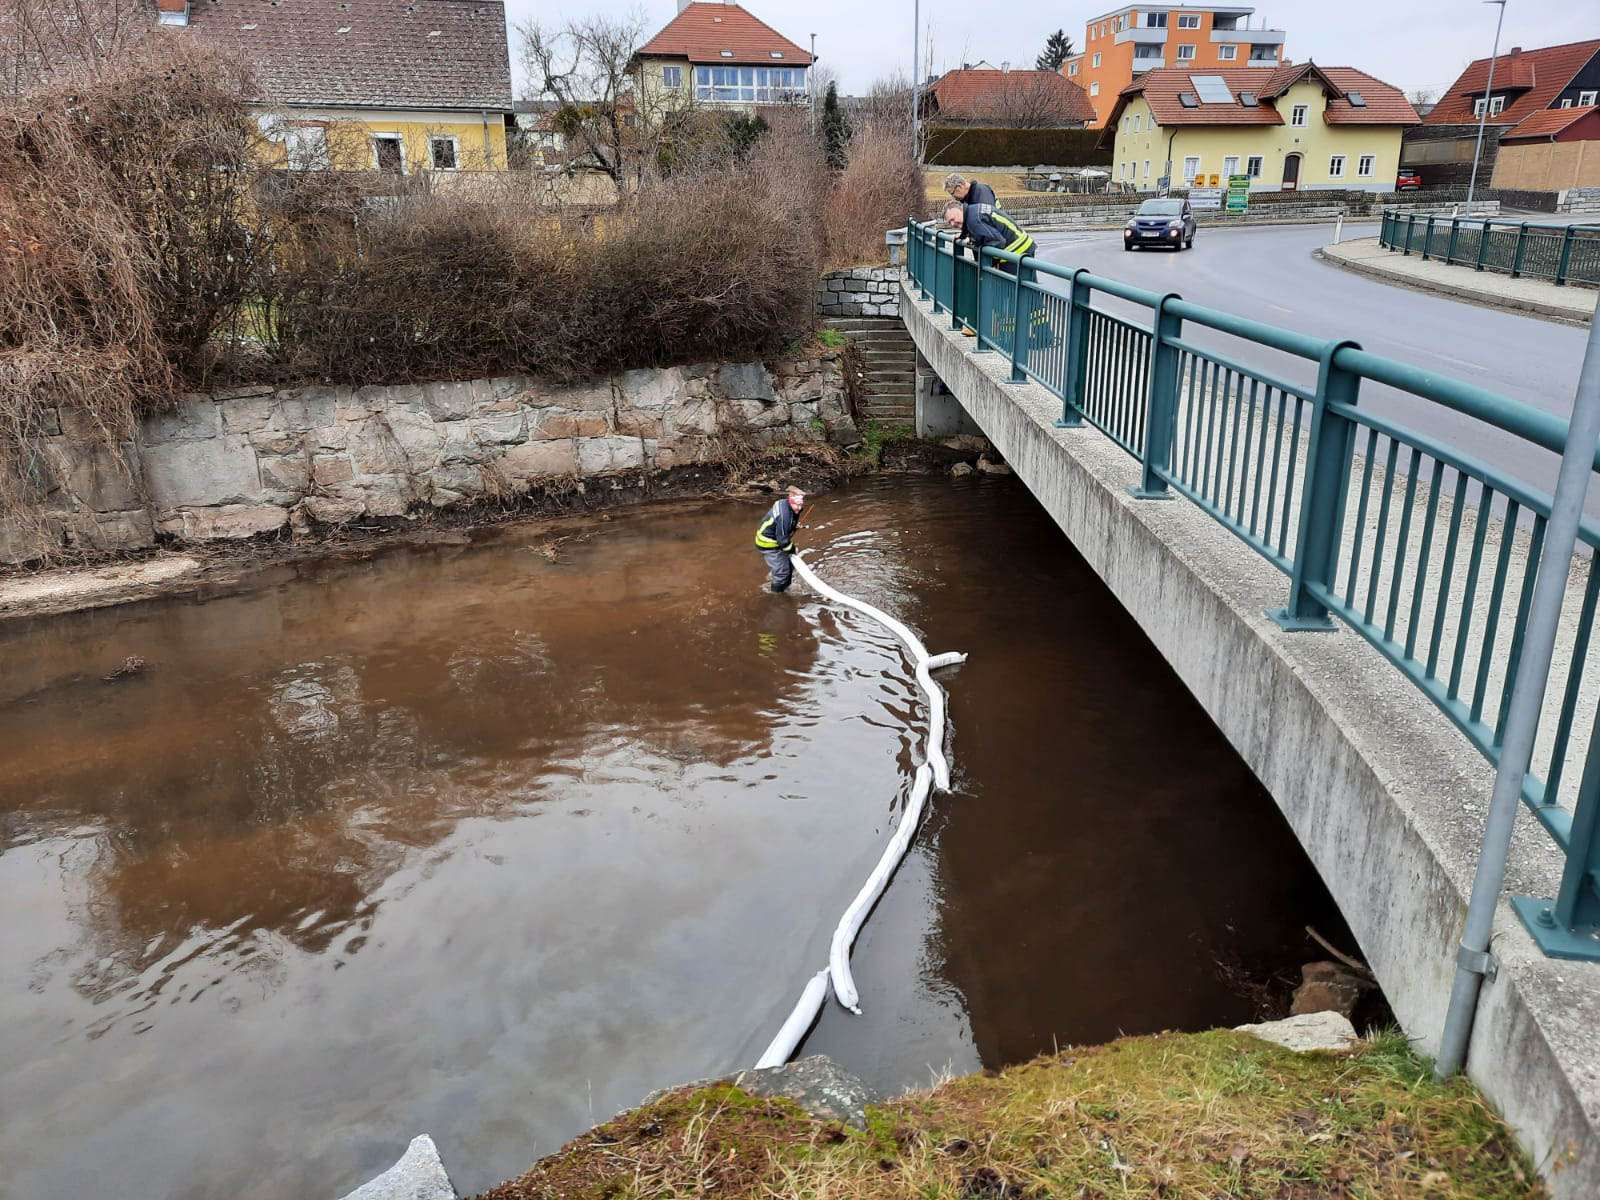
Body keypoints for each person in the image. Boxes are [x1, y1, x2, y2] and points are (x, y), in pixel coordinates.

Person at [754, 486, 806, 593]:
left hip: (775, 538)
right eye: (796, 505)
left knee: (788, 562)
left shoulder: (785, 503)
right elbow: (783, 541)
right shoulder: (784, 516)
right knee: (782, 572)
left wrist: (793, 525)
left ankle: (785, 583)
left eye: (800, 505)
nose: (799, 508)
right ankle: (776, 595)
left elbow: (789, 520)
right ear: (790, 501)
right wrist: (792, 549)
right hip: (768, 544)